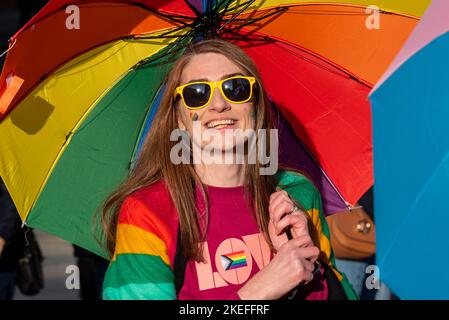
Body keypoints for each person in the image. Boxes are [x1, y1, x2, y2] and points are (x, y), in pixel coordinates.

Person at [100, 39, 356, 300]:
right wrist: (254, 294)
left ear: (256, 106)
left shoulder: (296, 195)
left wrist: (308, 267)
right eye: (197, 93)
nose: (219, 104)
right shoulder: (147, 212)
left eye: (236, 88)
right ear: (179, 119)